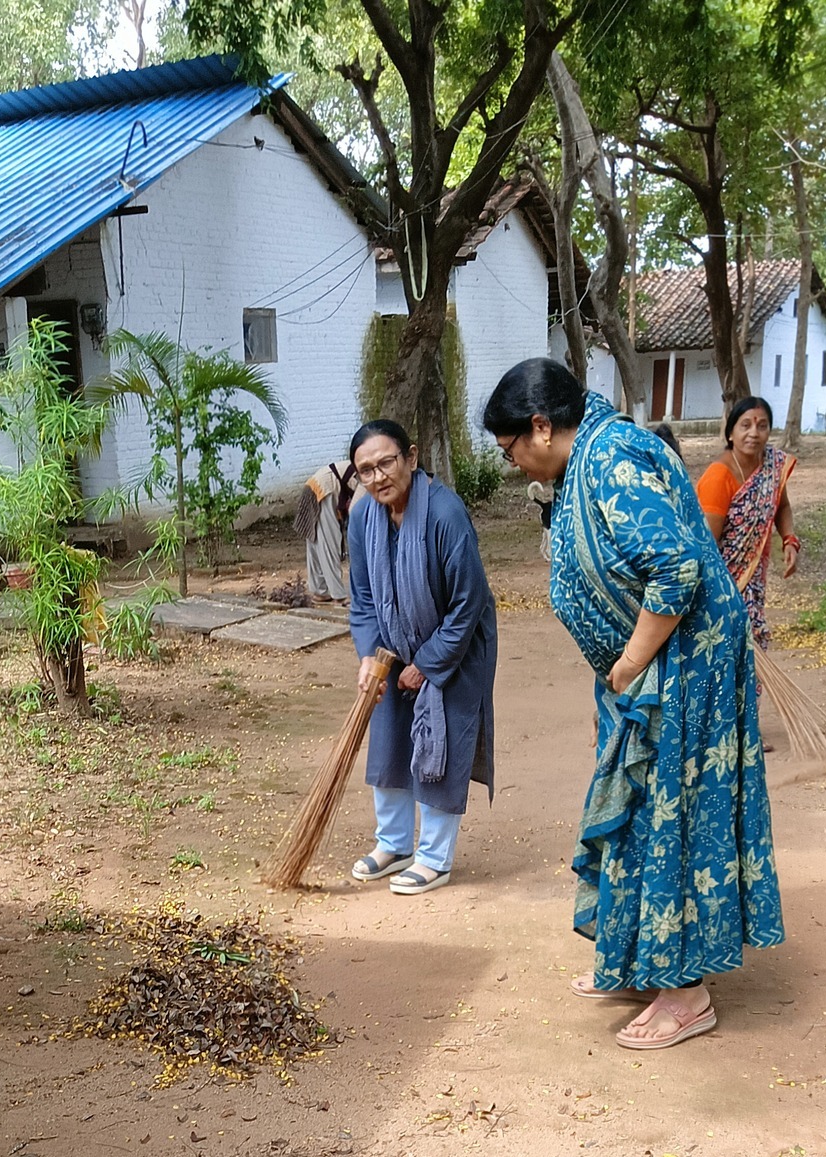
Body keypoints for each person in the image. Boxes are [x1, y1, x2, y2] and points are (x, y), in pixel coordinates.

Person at [483, 359, 784, 1050]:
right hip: (646, 666)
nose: (514, 466)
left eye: (512, 451)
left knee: (663, 813)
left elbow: (675, 566)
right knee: (632, 810)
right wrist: (617, 674)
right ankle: (637, 959)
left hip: (682, 663)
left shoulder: (609, 453)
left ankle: (685, 992)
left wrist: (627, 661)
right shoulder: (582, 457)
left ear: (539, 425)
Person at [346, 420, 497, 895]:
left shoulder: (445, 514)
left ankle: (435, 857)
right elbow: (363, 597)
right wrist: (372, 655)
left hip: (457, 645)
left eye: (385, 462)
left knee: (440, 746)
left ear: (410, 457)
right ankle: (394, 844)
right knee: (389, 741)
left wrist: (428, 663)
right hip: (392, 645)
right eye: (365, 470)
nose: (377, 477)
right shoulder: (361, 516)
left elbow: (467, 603)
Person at [695, 396, 799, 655]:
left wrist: (790, 539)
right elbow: (706, 548)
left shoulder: (772, 467)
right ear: (731, 433)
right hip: (721, 585)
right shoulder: (719, 477)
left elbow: (782, 506)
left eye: (762, 426)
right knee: (729, 650)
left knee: (748, 650)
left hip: (754, 578)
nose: (754, 433)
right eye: (746, 425)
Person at [293, 460, 360, 603]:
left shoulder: (364, 469)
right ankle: (339, 595)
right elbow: (356, 508)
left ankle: (320, 591)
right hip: (325, 490)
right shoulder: (368, 476)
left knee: (316, 541)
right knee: (329, 544)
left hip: (314, 486)